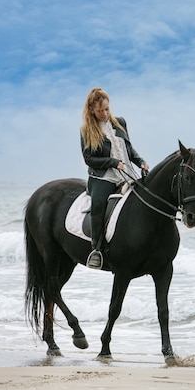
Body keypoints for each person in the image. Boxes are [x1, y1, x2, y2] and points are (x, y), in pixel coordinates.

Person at [80, 87, 149, 269]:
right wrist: (111, 162)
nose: (105, 114)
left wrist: (140, 161)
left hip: (127, 175)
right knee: (99, 206)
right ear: (92, 110)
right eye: (100, 110)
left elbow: (129, 148)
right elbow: (89, 159)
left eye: (107, 109)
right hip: (103, 178)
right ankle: (96, 249)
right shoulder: (87, 130)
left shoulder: (120, 123)